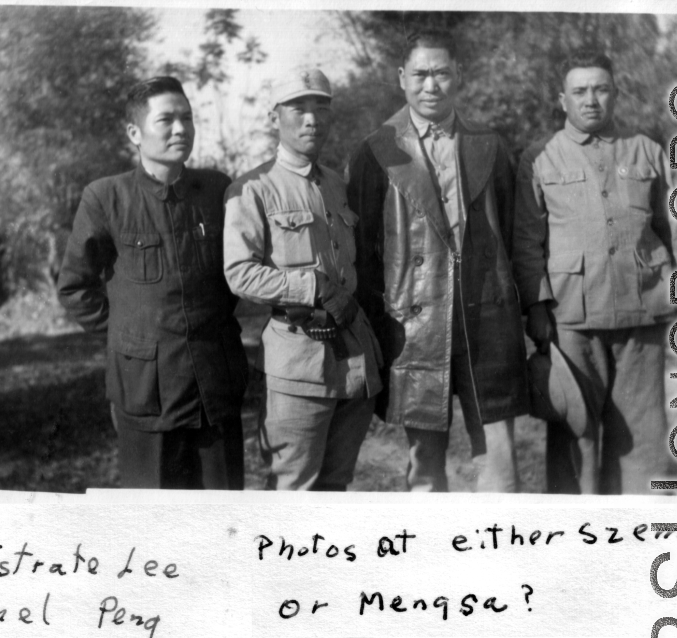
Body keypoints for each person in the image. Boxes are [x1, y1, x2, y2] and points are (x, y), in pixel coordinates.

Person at [347, 30, 528, 492]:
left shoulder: (491, 145)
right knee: (424, 463)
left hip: (486, 323)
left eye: (442, 73)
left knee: (500, 459)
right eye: (421, 74)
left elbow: (510, 234)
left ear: (458, 77)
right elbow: (365, 252)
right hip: (414, 327)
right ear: (401, 78)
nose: (432, 85)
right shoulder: (376, 151)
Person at [513, 49, 677, 493]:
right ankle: (574, 541)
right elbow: (526, 242)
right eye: (580, 91)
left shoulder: (648, 151)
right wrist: (536, 310)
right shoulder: (539, 158)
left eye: (601, 89)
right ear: (562, 99)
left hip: (643, 311)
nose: (591, 99)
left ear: (615, 93)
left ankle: (638, 534)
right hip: (571, 317)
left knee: (644, 434)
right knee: (575, 434)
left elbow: (675, 225)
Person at [57, 76, 247, 489]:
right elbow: (75, 287)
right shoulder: (106, 197)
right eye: (166, 120)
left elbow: (234, 276)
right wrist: (133, 340)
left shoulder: (215, 189)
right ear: (135, 133)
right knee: (153, 521)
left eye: (187, 118)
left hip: (214, 385)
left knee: (225, 516)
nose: (181, 129)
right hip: (146, 395)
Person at [223, 68, 382, 491]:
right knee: (293, 490)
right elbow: (239, 274)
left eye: (322, 108)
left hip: (353, 356)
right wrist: (311, 286)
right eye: (299, 108)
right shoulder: (253, 189)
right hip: (298, 362)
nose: (312, 119)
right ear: (275, 117)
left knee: (335, 486)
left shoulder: (337, 185)